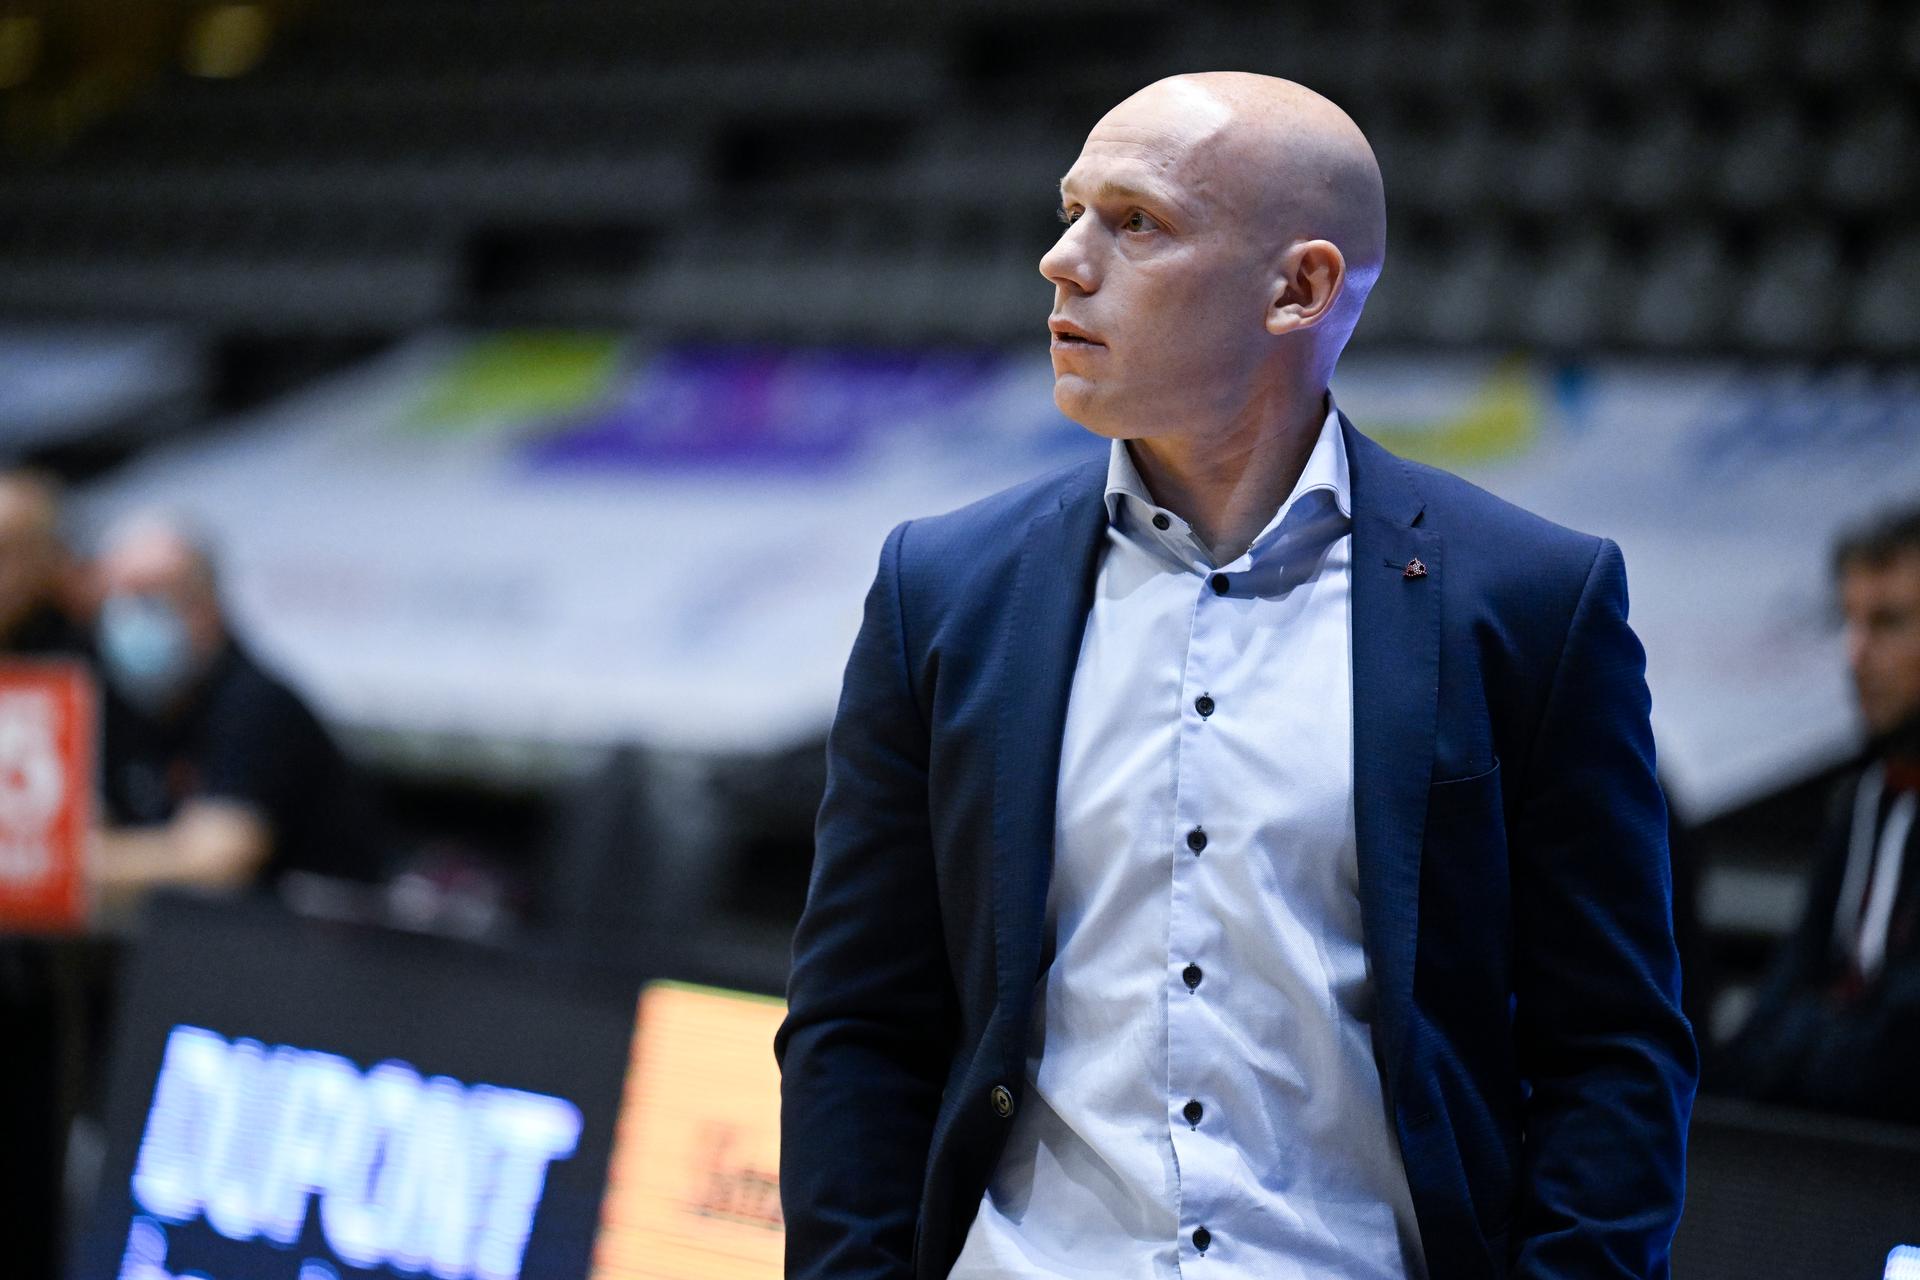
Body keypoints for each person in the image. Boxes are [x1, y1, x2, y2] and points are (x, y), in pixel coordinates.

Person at [776, 73, 1696, 1280]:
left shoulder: (1531, 601)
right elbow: (857, 1022)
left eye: (1136, 222)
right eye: (1070, 212)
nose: (1063, 260)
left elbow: (1613, 1052)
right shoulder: (942, 587)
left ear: (1299, 286)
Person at [1714, 504, 1920, 1123]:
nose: (1855, 653)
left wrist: (1814, 1035)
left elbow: (1903, 1056)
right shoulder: (1863, 799)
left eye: (1888, 622)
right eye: (1848, 622)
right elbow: (1761, 1030)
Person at [88, 514, 383, 908]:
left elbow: (220, 859)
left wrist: (68, 861)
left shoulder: (256, 700)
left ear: (208, 605)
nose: (130, 618)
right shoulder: (131, 702)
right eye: (117, 598)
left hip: (319, 948)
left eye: (151, 597)